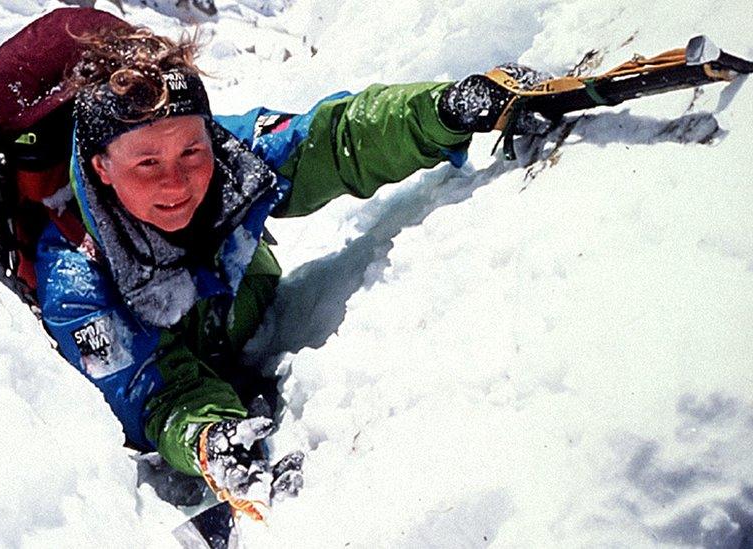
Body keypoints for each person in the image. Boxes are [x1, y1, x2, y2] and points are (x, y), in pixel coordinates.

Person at [33, 22, 539, 513]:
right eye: (147, 164)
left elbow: (335, 140)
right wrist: (211, 438)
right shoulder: (75, 274)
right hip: (181, 383)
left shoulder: (234, 156)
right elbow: (150, 390)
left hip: (248, 318)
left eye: (191, 151)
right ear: (102, 167)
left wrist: (444, 110)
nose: (177, 182)